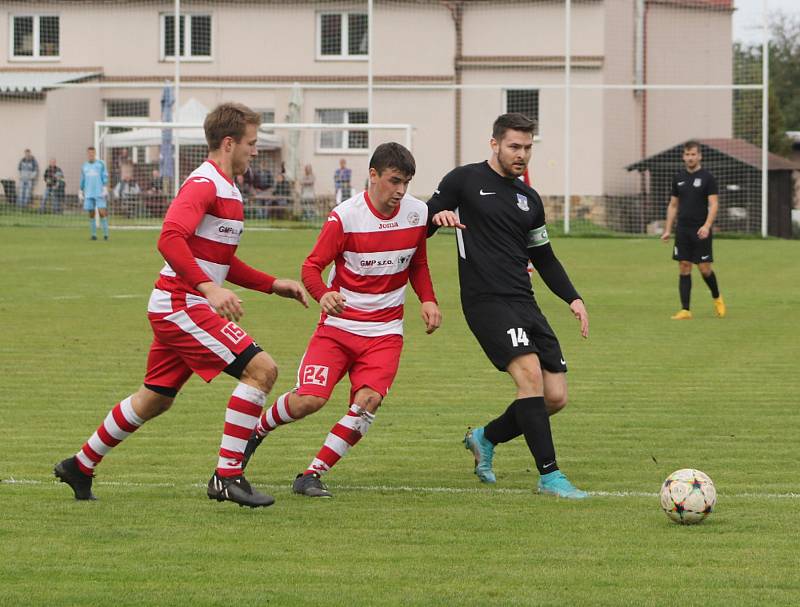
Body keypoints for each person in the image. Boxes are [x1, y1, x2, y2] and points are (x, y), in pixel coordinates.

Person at [53, 102, 308, 508]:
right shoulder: (204, 184)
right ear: (229, 143)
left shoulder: (228, 187)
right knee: (262, 371)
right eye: (251, 143)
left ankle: (79, 465)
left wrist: (272, 284)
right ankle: (227, 477)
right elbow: (169, 238)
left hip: (182, 302)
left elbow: (221, 260)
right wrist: (208, 288)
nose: (255, 151)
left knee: (155, 398)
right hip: (180, 304)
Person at [242, 142, 441, 498]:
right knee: (310, 400)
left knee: (367, 403)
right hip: (338, 329)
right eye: (394, 181)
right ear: (373, 175)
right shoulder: (345, 217)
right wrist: (324, 295)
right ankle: (256, 430)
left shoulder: (417, 214)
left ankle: (311, 474)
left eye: (406, 183)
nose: (400, 191)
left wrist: (428, 299)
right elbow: (310, 267)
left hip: (384, 333)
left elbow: (418, 263)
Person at [427, 113, 589, 499]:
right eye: (514, 146)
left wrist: (573, 297)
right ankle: (550, 476)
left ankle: (486, 437)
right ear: (494, 144)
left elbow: (544, 257)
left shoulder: (528, 199)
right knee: (529, 377)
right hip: (485, 301)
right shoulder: (463, 181)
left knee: (555, 397)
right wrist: (438, 216)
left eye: (528, 148)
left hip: (524, 300)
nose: (521, 155)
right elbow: (423, 222)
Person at [660, 140, 726, 320]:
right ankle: (685, 310)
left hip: (701, 230)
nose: (690, 158)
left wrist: (707, 226)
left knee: (704, 269)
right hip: (683, 230)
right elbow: (673, 205)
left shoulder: (708, 178)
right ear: (683, 156)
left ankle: (717, 297)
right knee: (684, 266)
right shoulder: (678, 178)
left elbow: (714, 205)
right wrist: (667, 229)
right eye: (687, 155)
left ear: (699, 156)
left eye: (693, 154)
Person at [79, 147, 110, 240]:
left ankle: (106, 234)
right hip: (88, 193)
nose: (91, 155)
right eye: (89, 153)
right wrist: (80, 190)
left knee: (102, 212)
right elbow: (83, 179)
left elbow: (105, 175)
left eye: (92, 153)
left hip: (99, 192)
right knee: (91, 213)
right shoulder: (84, 166)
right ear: (87, 154)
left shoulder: (101, 164)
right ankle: (94, 235)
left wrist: (105, 187)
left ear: (95, 153)